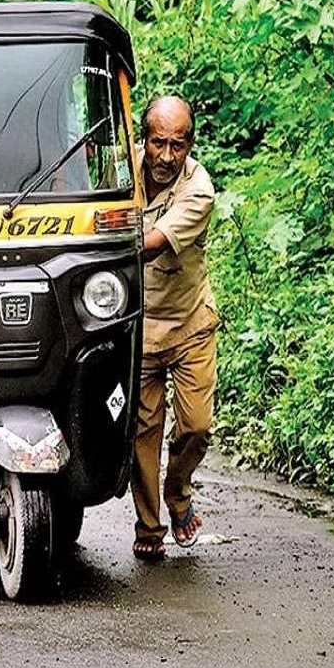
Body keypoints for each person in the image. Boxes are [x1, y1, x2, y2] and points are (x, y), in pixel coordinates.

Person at [131, 95, 218, 562]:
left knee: (196, 427)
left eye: (178, 145)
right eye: (158, 143)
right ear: (143, 139)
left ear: (190, 146)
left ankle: (178, 490)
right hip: (139, 328)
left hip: (189, 326)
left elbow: (152, 243)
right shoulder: (120, 172)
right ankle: (149, 525)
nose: (166, 156)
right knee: (143, 430)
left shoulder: (198, 189)